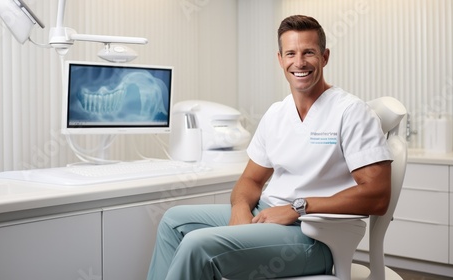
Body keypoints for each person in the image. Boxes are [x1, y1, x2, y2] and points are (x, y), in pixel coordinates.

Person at [147, 15, 392, 280]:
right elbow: (250, 180)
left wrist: (298, 207)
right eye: (291, 53)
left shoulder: (351, 112)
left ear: (325, 57)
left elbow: (377, 196)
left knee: (198, 246)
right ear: (280, 59)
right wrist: (240, 210)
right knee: (173, 221)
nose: (299, 62)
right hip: (265, 213)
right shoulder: (277, 113)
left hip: (313, 233)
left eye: (308, 52)